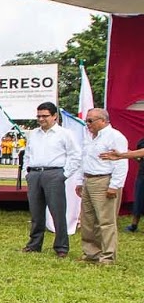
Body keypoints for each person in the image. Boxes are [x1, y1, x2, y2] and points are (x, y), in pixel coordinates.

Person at [21, 101, 80, 257]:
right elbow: (27, 154)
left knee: (57, 212)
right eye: (39, 116)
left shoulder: (65, 134)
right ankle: (34, 244)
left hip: (54, 173)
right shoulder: (33, 133)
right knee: (36, 212)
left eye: (45, 116)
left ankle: (61, 246)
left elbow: (75, 155)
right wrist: (26, 173)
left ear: (54, 116)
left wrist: (64, 174)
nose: (41, 119)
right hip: (34, 173)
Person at [75, 108, 128, 264]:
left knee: (105, 221)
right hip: (88, 179)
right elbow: (83, 160)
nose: (87, 124)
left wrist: (115, 186)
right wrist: (80, 181)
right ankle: (91, 253)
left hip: (104, 180)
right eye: (87, 121)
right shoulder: (89, 137)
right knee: (88, 220)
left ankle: (107, 256)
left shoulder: (115, 137)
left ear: (103, 121)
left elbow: (121, 163)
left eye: (91, 121)